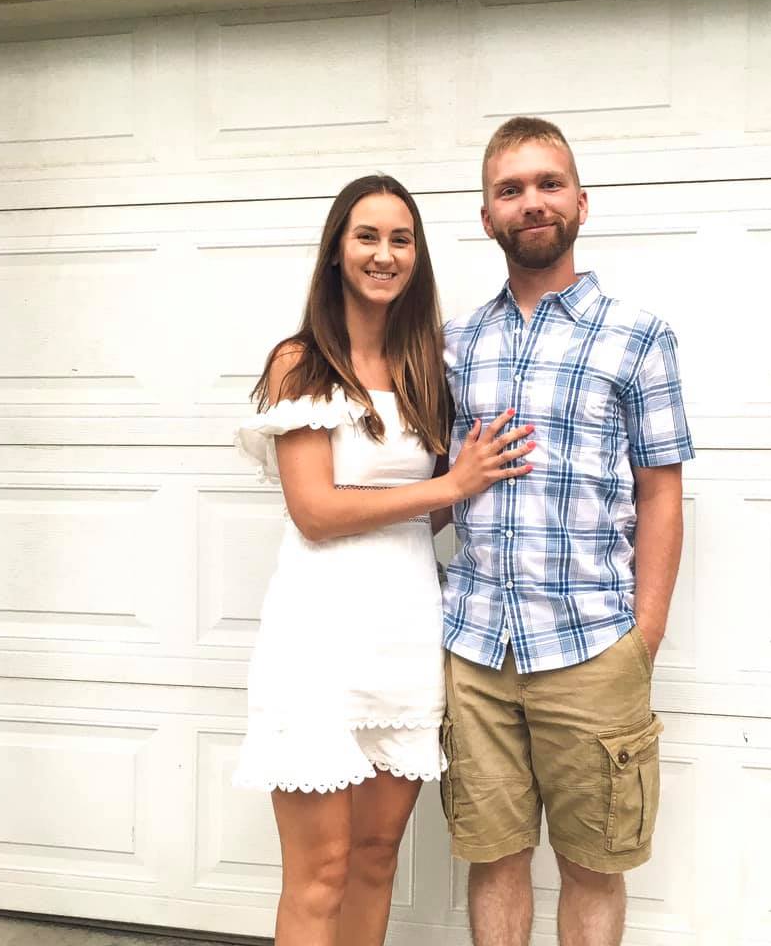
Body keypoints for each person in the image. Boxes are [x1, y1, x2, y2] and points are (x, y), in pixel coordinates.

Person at [232, 174, 534, 946]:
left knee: (374, 858)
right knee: (322, 869)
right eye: (367, 236)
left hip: (405, 631)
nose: (384, 254)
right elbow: (317, 510)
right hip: (319, 636)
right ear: (337, 251)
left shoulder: (424, 365)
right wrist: (450, 483)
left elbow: (430, 508)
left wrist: (465, 488)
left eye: (401, 239)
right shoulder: (302, 362)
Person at [440, 117, 695, 946]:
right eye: (510, 190)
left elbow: (661, 492)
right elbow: (439, 489)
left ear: (580, 202)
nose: (532, 202)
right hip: (477, 651)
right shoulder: (456, 346)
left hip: (592, 649)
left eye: (548, 184)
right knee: (495, 859)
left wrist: (644, 634)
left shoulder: (639, 337)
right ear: (487, 218)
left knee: (594, 865)